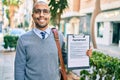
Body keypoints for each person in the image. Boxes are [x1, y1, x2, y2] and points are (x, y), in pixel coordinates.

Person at [14, 1, 92, 80]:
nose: (41, 15)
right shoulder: (23, 40)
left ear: (49, 15)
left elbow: (66, 60)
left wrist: (84, 54)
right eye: (38, 11)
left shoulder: (59, 37)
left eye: (45, 11)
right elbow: (19, 69)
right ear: (32, 15)